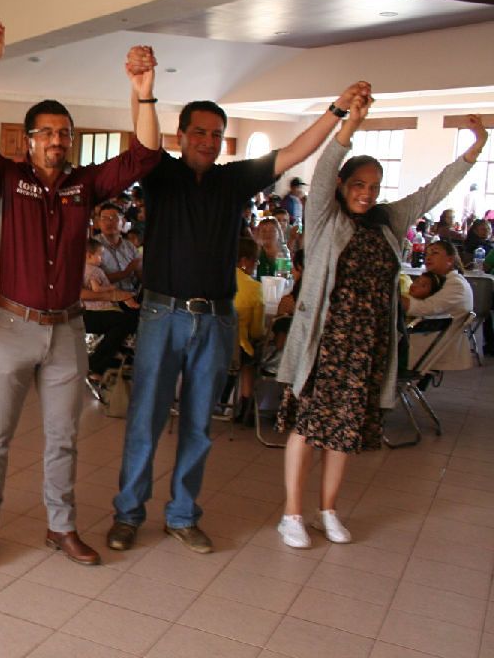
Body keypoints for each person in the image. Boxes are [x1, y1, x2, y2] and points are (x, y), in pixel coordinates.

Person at [108, 74, 375, 556]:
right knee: (145, 420)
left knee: (197, 424)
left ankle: (183, 516)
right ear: (182, 136)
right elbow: (143, 135)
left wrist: (336, 111)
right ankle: (128, 515)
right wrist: (143, 89)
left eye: (215, 134)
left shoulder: (234, 180)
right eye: (199, 133)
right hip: (160, 315)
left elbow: (294, 152)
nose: (208, 142)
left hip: (215, 319)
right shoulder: (159, 172)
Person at [0, 38, 161, 569]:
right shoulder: (3, 179)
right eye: (46, 133)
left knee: (63, 438)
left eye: (64, 134)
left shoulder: (84, 186)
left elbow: (145, 155)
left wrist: (142, 94)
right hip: (12, 325)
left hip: (67, 329)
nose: (57, 140)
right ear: (27, 141)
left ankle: (61, 526)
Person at [275, 110, 486, 549]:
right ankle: (292, 514)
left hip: (367, 345)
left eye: (373, 186)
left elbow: (432, 192)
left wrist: (475, 149)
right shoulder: (323, 219)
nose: (367, 194)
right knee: (307, 428)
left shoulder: (388, 221)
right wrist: (348, 127)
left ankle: (327, 509)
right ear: (342, 186)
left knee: (345, 432)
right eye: (358, 185)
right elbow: (328, 163)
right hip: (323, 344)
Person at [402, 241, 475, 371]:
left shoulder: (456, 285)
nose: (428, 257)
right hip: (425, 343)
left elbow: (424, 308)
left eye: (435, 253)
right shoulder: (441, 281)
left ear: (450, 260)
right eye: (427, 254)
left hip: (429, 348)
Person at [81, 239, 141, 392]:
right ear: (89, 255)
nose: (102, 259)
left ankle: (121, 358)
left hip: (102, 304)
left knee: (134, 315)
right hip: (90, 309)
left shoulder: (128, 247)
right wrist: (115, 293)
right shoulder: (91, 270)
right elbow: (93, 290)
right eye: (100, 255)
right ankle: (96, 365)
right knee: (125, 322)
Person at [228, 238, 265, 420]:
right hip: (235, 351)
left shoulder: (215, 279)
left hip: (204, 344)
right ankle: (246, 406)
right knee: (250, 358)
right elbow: (257, 331)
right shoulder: (254, 288)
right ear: (244, 261)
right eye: (254, 260)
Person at [94, 202, 141, 293]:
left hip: (131, 295)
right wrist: (126, 272)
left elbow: (140, 273)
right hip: (106, 301)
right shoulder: (92, 245)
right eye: (104, 218)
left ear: (122, 222)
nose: (108, 222)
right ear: (99, 223)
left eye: (114, 218)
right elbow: (93, 279)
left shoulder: (129, 246)